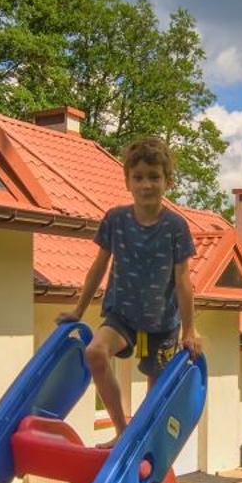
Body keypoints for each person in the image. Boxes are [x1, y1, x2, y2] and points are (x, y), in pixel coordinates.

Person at [59, 136, 204, 433]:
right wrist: (78, 311)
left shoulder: (175, 227)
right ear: (127, 181)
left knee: (156, 391)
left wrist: (189, 329)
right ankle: (121, 433)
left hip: (161, 322)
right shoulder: (116, 219)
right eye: (138, 177)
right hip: (122, 315)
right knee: (95, 353)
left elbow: (182, 281)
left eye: (154, 177)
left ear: (168, 181)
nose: (146, 185)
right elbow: (98, 267)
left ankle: (141, 439)